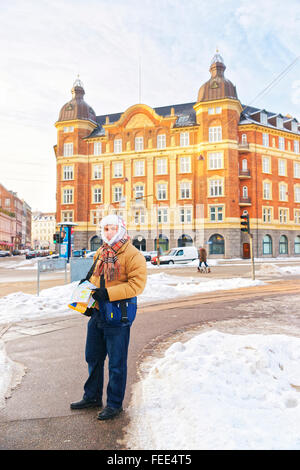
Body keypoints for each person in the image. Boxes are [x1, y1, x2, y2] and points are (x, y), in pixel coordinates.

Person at [70, 215, 147, 420]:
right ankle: (92, 396)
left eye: (112, 228)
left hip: (117, 315)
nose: (108, 232)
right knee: (93, 357)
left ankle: (114, 404)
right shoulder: (101, 251)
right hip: (98, 313)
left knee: (116, 362)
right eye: (105, 229)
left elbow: (136, 285)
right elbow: (94, 278)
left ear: (121, 229)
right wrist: (85, 294)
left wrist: (109, 293)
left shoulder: (133, 254)